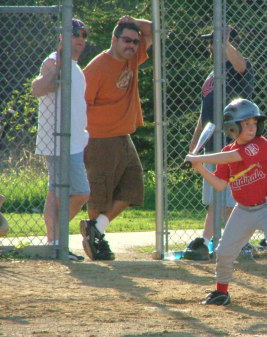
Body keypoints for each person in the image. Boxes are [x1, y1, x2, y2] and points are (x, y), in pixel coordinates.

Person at [185, 98, 267, 305]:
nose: (251, 128)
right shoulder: (226, 151)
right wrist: (199, 168)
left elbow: (234, 157)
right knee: (224, 250)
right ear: (232, 128)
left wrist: (199, 159)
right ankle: (221, 292)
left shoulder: (260, 144)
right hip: (244, 209)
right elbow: (219, 184)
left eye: (254, 123)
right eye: (245, 124)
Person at [80, 16, 152, 261]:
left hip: (123, 136)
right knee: (100, 192)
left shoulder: (131, 60)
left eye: (135, 41)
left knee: (134, 187)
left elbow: (154, 30)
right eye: (126, 40)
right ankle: (95, 239)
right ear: (114, 39)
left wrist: (134, 21)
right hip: (99, 138)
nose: (132, 45)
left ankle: (96, 228)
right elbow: (81, 105)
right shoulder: (97, 68)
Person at [185, 25, 254, 260]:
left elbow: (241, 65)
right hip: (212, 146)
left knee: (228, 202)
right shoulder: (212, 75)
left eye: (216, 41)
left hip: (231, 144)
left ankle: (241, 244)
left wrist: (226, 45)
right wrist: (195, 146)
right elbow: (204, 116)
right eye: (211, 42)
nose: (211, 46)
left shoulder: (235, 69)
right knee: (216, 198)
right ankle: (204, 242)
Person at [31, 19, 91, 262]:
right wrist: (56, 70)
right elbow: (37, 89)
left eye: (84, 35)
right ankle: (57, 241)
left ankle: (55, 243)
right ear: (62, 37)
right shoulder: (53, 61)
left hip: (73, 142)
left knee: (56, 193)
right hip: (57, 143)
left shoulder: (75, 66)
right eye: (75, 33)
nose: (80, 39)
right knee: (80, 193)